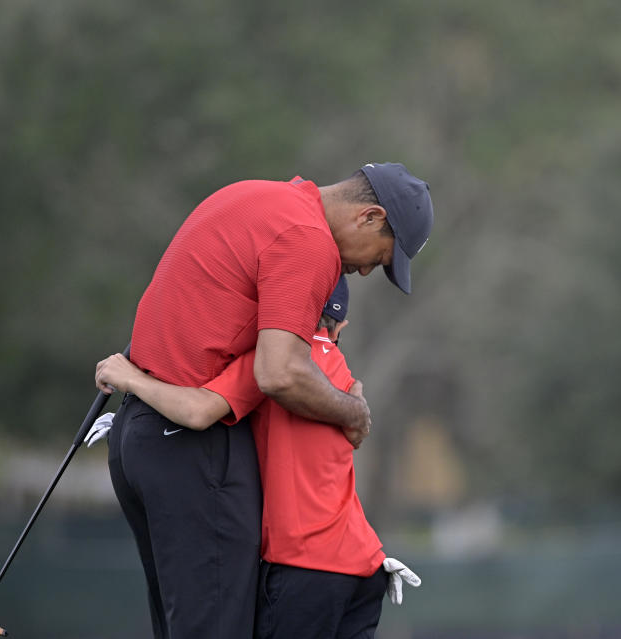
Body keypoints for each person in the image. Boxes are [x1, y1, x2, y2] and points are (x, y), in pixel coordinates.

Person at [99, 163, 433, 639]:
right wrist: (354, 412)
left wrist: (131, 379)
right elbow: (278, 373)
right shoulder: (310, 239)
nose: (361, 270)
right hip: (192, 446)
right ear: (370, 217)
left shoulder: (258, 195)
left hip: (139, 437)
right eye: (380, 258)